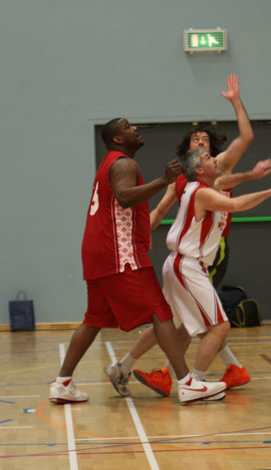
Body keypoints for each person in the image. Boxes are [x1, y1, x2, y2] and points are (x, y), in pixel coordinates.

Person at [50, 119, 226, 406]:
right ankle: (186, 382)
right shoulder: (124, 164)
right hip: (120, 253)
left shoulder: (111, 162)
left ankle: (62, 382)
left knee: (94, 319)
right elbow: (123, 197)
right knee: (161, 311)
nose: (135, 129)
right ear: (118, 139)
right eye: (128, 127)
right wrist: (162, 181)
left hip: (97, 251)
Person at [106, 74, 257, 394]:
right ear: (187, 150)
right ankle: (189, 374)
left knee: (190, 319)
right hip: (190, 257)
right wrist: (136, 241)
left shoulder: (221, 166)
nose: (201, 142)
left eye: (205, 139)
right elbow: (159, 211)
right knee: (181, 318)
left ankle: (190, 373)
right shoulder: (184, 180)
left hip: (212, 251)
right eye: (195, 139)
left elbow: (246, 136)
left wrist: (236, 102)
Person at [111, 150, 271, 399]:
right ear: (198, 169)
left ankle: (122, 367)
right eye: (208, 157)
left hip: (180, 264)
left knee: (170, 326)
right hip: (187, 265)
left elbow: (227, 180)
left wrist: (252, 174)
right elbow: (237, 204)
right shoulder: (203, 192)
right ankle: (194, 383)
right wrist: (270, 192)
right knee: (219, 327)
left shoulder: (205, 185)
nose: (215, 159)